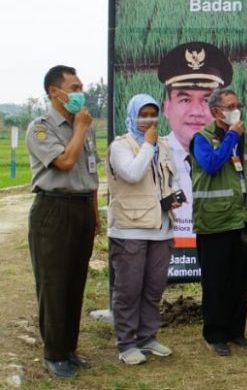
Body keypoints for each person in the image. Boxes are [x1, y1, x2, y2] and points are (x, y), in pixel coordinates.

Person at [25, 65, 100, 379]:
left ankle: (69, 348)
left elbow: (92, 174)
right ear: (54, 93)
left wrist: (94, 215)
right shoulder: (41, 128)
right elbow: (66, 162)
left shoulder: (85, 126)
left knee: (75, 282)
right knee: (54, 284)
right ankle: (54, 354)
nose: (80, 93)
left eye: (81, 87)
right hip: (53, 210)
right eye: (74, 88)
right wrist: (80, 128)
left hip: (82, 209)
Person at [107, 94, 179, 365]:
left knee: (154, 288)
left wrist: (174, 196)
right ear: (132, 116)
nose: (149, 120)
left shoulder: (164, 145)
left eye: (153, 114)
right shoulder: (120, 146)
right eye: (143, 114)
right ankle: (126, 343)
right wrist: (148, 145)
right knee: (129, 289)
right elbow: (133, 174)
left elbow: (172, 178)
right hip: (130, 229)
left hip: (161, 228)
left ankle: (147, 337)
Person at [190, 88, 247, 356]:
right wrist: (231, 137)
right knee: (216, 281)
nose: (236, 110)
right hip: (215, 221)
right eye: (230, 106)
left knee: (240, 280)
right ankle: (215, 334)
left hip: (243, 219)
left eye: (238, 105)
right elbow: (211, 165)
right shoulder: (202, 138)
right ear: (216, 111)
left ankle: (236, 331)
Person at [157, 42, 233, 236]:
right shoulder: (153, 155)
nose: (197, 112)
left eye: (207, 100)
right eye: (184, 100)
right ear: (167, 107)